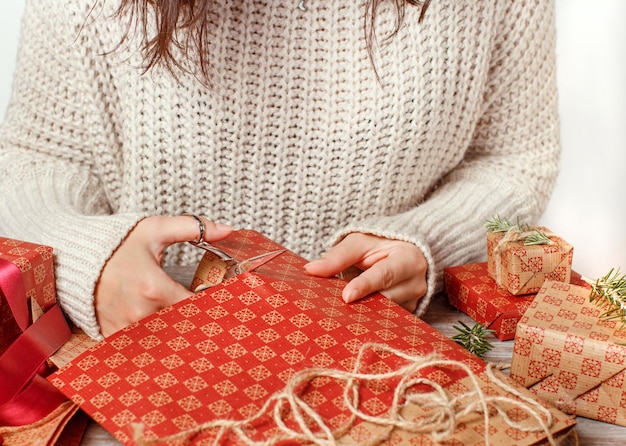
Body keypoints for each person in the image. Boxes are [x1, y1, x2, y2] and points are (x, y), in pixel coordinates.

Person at [0, 0, 560, 339]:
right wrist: (88, 261)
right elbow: (33, 162)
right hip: (146, 358)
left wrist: (427, 242)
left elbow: (514, 160)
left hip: (387, 356)